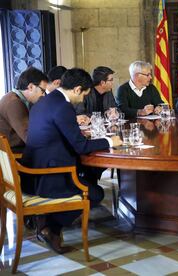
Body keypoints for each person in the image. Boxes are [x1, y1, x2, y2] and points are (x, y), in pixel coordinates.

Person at [21, 68, 122, 254]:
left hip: (32, 171)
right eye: (84, 94)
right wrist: (110, 141)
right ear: (77, 89)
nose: (83, 99)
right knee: (96, 194)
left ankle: (47, 220)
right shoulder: (63, 107)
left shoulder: (46, 101)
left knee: (89, 175)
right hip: (48, 176)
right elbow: (80, 147)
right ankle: (52, 227)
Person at [0, 67, 48, 152]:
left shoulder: (13, 97)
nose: (43, 95)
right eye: (42, 91)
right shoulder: (14, 103)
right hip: (13, 153)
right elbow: (29, 138)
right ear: (30, 87)